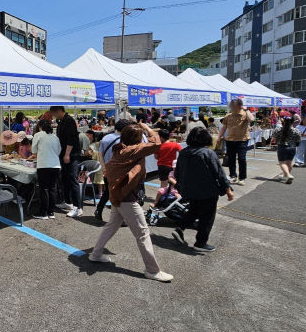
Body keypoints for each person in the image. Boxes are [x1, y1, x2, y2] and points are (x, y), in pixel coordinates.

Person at [88, 122, 173, 282]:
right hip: (126, 198)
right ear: (137, 139)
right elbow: (156, 143)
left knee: (111, 226)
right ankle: (153, 270)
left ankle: (95, 254)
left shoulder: (121, 148)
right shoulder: (133, 150)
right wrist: (147, 128)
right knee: (142, 233)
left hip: (117, 194)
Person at [173, 127, 233, 252]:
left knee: (194, 210)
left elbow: (177, 172)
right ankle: (200, 242)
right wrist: (227, 189)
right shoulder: (208, 153)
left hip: (189, 190)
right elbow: (219, 173)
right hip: (207, 190)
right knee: (207, 217)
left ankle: (180, 228)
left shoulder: (183, 152)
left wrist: (180, 186)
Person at [93, 119, 133, 222]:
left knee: (108, 191)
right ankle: (120, 218)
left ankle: (99, 209)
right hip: (121, 171)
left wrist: (103, 169)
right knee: (121, 193)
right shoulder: (126, 140)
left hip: (108, 170)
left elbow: (100, 154)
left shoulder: (106, 138)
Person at [49, 106, 81, 217]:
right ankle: (68, 202)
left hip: (71, 154)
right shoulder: (61, 121)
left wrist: (67, 154)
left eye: (54, 113)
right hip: (64, 154)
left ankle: (78, 207)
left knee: (73, 179)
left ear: (59, 111)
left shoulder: (69, 121)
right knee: (65, 179)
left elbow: (71, 139)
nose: (53, 115)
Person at [217, 99, 254, 186]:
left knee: (242, 159)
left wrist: (246, 109)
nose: (231, 107)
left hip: (242, 140)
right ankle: (233, 176)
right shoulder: (228, 115)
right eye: (231, 106)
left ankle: (242, 178)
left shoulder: (245, 114)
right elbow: (224, 127)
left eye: (233, 106)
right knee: (231, 159)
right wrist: (219, 137)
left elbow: (252, 119)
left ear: (239, 106)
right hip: (230, 140)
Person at [30, 119, 62, 220]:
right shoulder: (55, 137)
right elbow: (58, 151)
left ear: (40, 127)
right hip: (55, 165)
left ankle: (43, 213)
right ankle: (51, 212)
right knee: (52, 189)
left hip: (43, 165)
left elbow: (34, 151)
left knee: (44, 189)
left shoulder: (38, 135)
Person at [271, 116, 300, 183]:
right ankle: (285, 176)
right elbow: (298, 140)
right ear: (293, 122)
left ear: (283, 122)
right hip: (292, 147)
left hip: (282, 147)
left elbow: (274, 138)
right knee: (289, 163)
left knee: (282, 163)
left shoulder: (278, 129)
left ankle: (288, 175)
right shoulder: (296, 130)